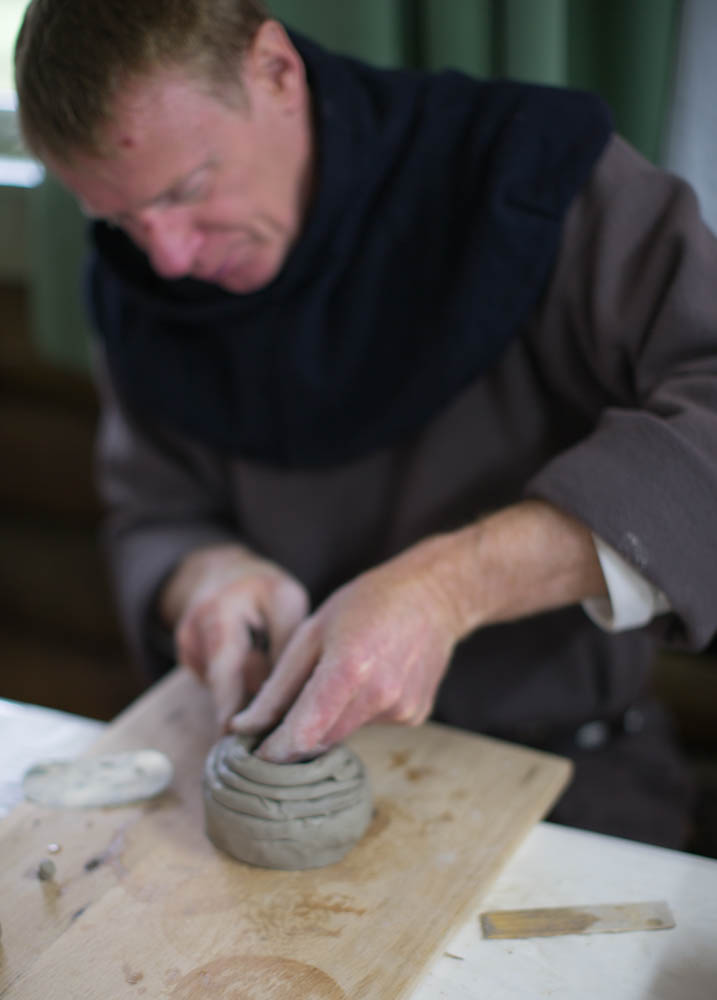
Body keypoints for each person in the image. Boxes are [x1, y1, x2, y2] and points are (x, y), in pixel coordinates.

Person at [14, 0, 717, 848]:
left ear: (275, 71)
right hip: (271, 777)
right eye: (121, 217)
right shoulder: (138, 282)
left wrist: (450, 588)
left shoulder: (531, 174)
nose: (169, 256)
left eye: (188, 189)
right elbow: (155, 511)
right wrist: (205, 577)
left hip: (568, 783)